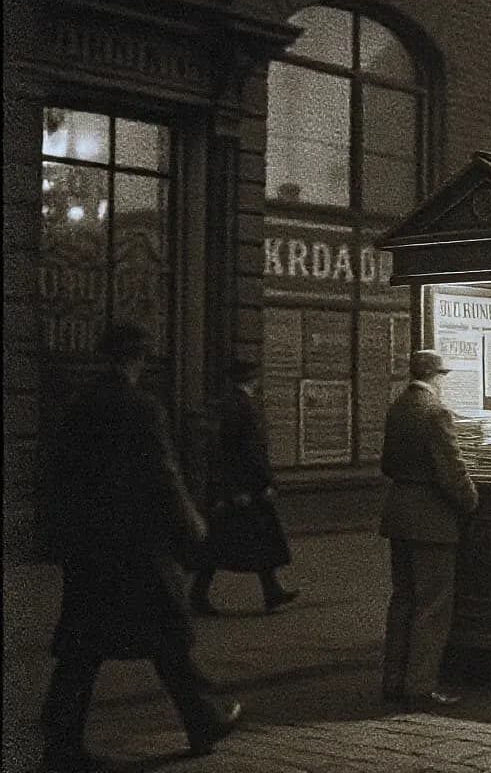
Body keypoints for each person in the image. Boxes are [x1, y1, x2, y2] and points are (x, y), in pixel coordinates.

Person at [40, 324, 241, 772]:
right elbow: (163, 473)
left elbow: (57, 476)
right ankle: (204, 719)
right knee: (167, 635)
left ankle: (60, 742)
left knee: (81, 648)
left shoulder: (78, 406)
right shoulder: (142, 408)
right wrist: (192, 521)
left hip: (90, 547)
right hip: (137, 546)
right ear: (138, 357)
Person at [379, 349, 479, 711]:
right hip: (432, 521)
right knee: (432, 605)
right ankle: (420, 686)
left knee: (402, 600)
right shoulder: (436, 413)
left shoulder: (398, 407)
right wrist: (470, 501)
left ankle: (392, 680)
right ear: (436, 377)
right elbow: (451, 471)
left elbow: (387, 464)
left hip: (398, 516)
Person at [190, 360, 298, 616]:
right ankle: (199, 594)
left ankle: (271, 591)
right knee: (239, 540)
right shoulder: (244, 407)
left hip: (236, 487)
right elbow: (249, 451)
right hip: (245, 489)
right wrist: (264, 483)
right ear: (251, 379)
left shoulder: (230, 405)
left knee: (237, 541)